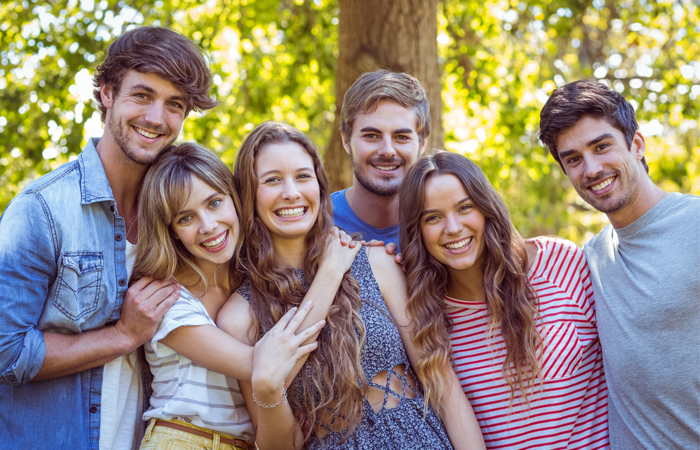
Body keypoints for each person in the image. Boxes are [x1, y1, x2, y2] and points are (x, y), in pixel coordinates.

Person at [0, 27, 215, 449]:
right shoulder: (42, 209)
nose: (156, 118)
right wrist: (123, 335)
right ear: (107, 93)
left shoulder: (178, 215)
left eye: (174, 104)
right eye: (142, 95)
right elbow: (7, 351)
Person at [218, 121, 485, 450]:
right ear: (248, 193)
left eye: (303, 176)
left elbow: (441, 382)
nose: (291, 192)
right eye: (273, 180)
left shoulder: (375, 263)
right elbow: (280, 445)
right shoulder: (239, 316)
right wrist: (269, 390)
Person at [130, 142, 357, 450]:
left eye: (214, 203)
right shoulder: (167, 299)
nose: (208, 227)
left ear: (236, 199)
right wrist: (331, 272)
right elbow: (273, 368)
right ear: (170, 230)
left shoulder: (253, 283)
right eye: (186, 218)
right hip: (184, 441)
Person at [399, 151, 610, 449]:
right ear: (416, 231)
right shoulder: (425, 316)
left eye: (465, 207)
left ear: (486, 208)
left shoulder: (560, 264)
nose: (453, 228)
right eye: (432, 217)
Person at [539, 80, 700, 449]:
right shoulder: (589, 260)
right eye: (573, 158)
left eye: (602, 146)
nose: (592, 168)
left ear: (637, 144)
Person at [332, 70, 429, 249]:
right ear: (346, 140)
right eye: (371, 135)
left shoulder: (441, 226)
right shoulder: (316, 223)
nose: (387, 151)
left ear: (422, 143)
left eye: (401, 137)